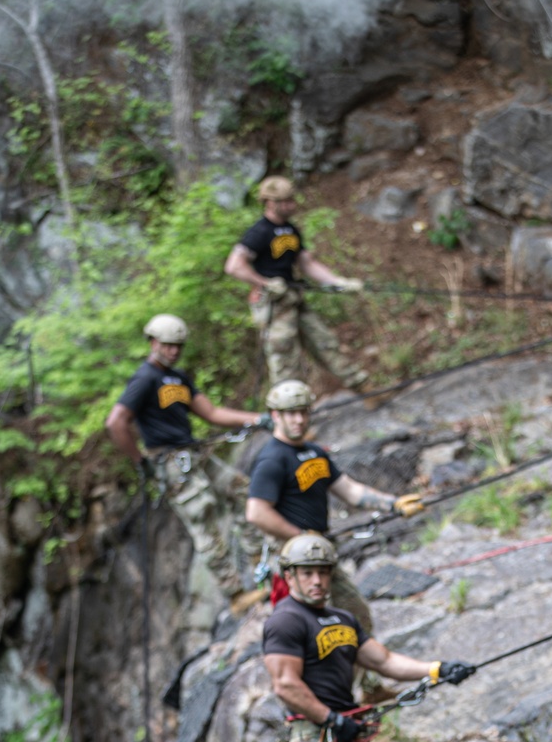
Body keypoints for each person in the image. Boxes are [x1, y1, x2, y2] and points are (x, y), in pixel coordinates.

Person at [262, 533, 473, 742]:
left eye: (323, 572)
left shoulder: (343, 619)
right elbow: (285, 685)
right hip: (318, 737)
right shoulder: (286, 620)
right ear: (289, 576)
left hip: (346, 730)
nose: (317, 581)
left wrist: (438, 669)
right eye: (307, 573)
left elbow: (384, 660)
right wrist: (331, 719)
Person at [105, 314, 264, 608]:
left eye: (178, 345)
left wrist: (258, 419)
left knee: (239, 488)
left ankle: (258, 557)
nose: (173, 351)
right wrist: (141, 461)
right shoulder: (144, 379)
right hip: (170, 462)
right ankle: (236, 596)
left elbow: (212, 413)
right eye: (167, 345)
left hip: (194, 453)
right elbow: (116, 422)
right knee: (203, 519)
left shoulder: (178, 378)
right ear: (152, 342)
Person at [246, 378, 423, 630]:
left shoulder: (315, 452)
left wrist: (393, 504)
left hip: (321, 551)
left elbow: (349, 490)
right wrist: (302, 536)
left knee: (356, 619)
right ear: (275, 415)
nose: (298, 420)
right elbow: (256, 512)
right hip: (297, 561)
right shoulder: (272, 459)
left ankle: (360, 669)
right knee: (315, 630)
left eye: (303, 412)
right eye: (291, 414)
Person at [224, 176, 368, 389]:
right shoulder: (259, 232)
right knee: (285, 359)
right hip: (273, 304)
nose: (292, 205)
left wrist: (338, 282)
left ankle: (362, 388)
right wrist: (264, 282)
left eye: (292, 200)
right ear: (271, 202)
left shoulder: (291, 230)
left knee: (325, 342)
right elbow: (234, 265)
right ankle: (289, 411)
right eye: (286, 201)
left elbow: (307, 263)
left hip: (293, 298)